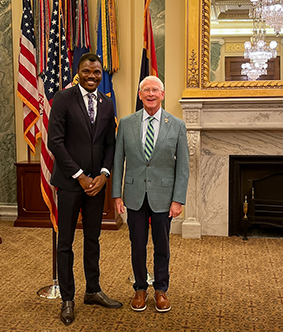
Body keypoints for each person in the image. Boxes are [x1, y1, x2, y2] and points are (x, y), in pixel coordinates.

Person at [48, 53, 122, 326]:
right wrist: (79, 176)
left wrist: (104, 174)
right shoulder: (63, 99)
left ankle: (93, 290)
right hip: (70, 184)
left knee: (93, 240)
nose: (92, 77)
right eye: (87, 72)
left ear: (101, 74)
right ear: (78, 72)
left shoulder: (106, 102)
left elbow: (110, 144)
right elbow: (55, 142)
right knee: (65, 243)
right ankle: (68, 298)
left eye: (97, 72)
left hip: (97, 185)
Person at [112, 75, 189, 313]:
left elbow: (183, 166)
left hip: (163, 197)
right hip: (134, 193)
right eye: (146, 90)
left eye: (155, 90)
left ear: (162, 94)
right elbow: (118, 160)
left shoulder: (176, 125)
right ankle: (140, 288)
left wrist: (178, 200)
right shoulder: (126, 123)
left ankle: (161, 289)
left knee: (162, 245)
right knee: (137, 244)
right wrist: (116, 194)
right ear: (140, 95)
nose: (151, 94)